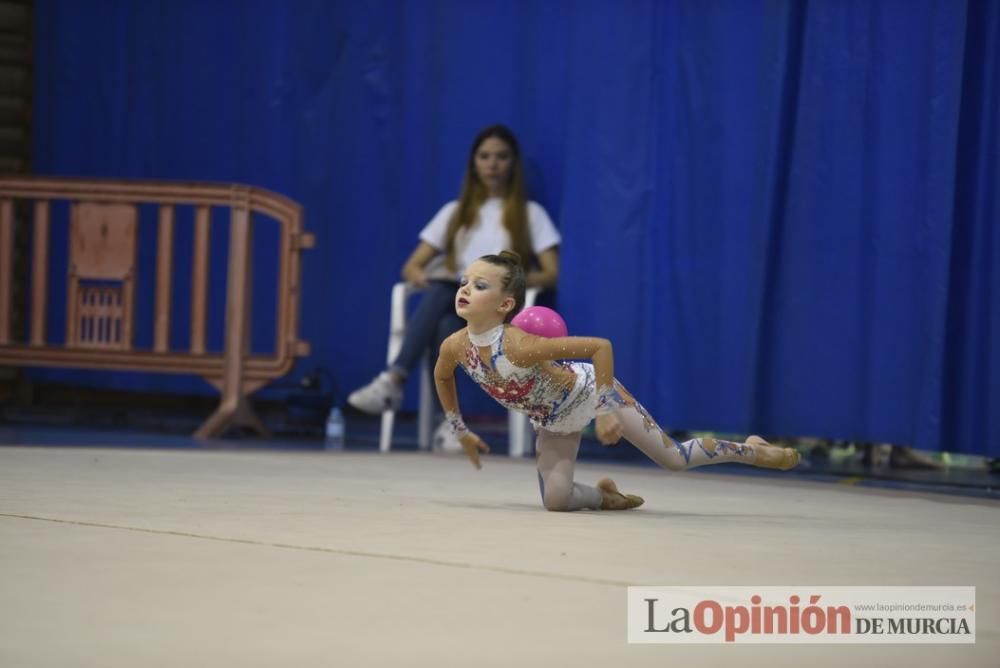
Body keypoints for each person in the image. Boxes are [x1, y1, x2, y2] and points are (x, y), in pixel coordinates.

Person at [434, 251, 801, 512]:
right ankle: (605, 497)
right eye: (464, 281)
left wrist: (606, 407)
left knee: (673, 459)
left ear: (505, 305)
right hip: (552, 418)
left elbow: (599, 347)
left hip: (590, 392)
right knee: (557, 502)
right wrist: (459, 429)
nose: (464, 288)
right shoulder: (455, 346)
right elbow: (442, 375)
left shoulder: (518, 346)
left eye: (479, 285)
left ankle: (751, 449)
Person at [348, 125, 560, 435]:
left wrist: (503, 282)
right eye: (485, 156)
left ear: (513, 163)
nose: (493, 164)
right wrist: (432, 275)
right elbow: (412, 268)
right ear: (474, 163)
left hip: (499, 313)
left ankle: (393, 380)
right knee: (446, 319)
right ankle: (449, 426)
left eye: (501, 157)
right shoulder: (455, 213)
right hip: (460, 311)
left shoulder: (531, 214)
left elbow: (551, 273)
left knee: (451, 288)